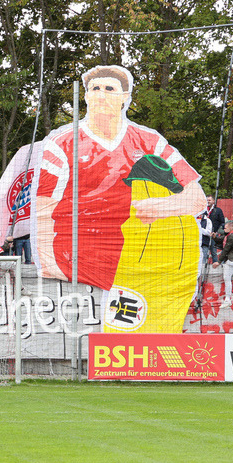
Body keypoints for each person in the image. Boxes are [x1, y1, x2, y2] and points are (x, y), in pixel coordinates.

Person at [34, 65, 204, 333]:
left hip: (140, 259)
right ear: (86, 96)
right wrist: (49, 265)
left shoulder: (150, 142)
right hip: (80, 262)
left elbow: (197, 199)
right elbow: (44, 210)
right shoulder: (62, 144)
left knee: (138, 335)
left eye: (109, 89)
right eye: (95, 88)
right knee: (104, 335)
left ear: (125, 97)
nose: (101, 94)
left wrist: (156, 207)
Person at [213, 221, 233, 303]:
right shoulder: (230, 235)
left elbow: (226, 249)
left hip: (232, 259)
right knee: (228, 278)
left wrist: (219, 262)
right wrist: (215, 237)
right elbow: (221, 239)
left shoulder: (232, 237)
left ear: (230, 228)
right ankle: (228, 297)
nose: (224, 229)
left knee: (227, 278)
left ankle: (227, 298)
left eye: (225, 228)